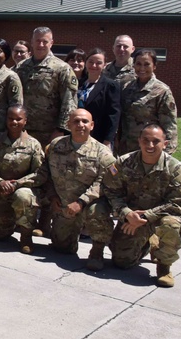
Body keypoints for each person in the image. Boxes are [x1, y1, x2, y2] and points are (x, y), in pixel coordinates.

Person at [24, 109, 116, 269]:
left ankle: (97, 251)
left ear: (92, 125)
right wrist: (52, 196)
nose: (80, 125)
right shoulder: (55, 146)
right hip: (64, 206)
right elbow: (47, 174)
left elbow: (105, 182)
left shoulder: (104, 153)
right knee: (62, 249)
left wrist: (81, 202)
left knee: (98, 211)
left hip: (89, 205)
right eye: (76, 121)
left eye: (85, 121)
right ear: (68, 125)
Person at [103, 124, 181, 287]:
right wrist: (127, 213)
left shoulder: (176, 170)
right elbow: (110, 190)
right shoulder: (124, 163)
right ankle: (149, 243)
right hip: (131, 218)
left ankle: (164, 266)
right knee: (122, 262)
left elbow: (176, 204)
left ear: (165, 143)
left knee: (172, 226)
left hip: (161, 218)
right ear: (139, 141)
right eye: (146, 140)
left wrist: (146, 216)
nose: (150, 145)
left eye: (155, 141)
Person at [0, 106, 43, 253]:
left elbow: (40, 173)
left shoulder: (33, 144)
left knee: (23, 196)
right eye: (11, 118)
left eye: (18, 119)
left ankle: (26, 236)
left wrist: (17, 184)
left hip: (21, 190)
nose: (14, 122)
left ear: (25, 121)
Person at [14, 27, 78, 147]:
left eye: (45, 41)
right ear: (32, 42)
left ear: (51, 43)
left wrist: (60, 130)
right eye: (37, 41)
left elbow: (69, 102)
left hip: (50, 133)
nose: (41, 44)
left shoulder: (62, 68)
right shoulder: (21, 67)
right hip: (23, 130)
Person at [118, 49, 177, 154]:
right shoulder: (127, 87)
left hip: (149, 149)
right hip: (126, 149)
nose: (142, 68)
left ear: (154, 66)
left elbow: (169, 125)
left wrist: (167, 152)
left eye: (147, 64)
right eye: (138, 64)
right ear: (133, 65)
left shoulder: (162, 91)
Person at [79, 47, 120, 149]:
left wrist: (108, 140)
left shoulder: (110, 86)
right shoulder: (78, 83)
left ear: (104, 65)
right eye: (91, 62)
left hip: (98, 138)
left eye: (98, 63)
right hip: (77, 134)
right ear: (85, 62)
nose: (94, 65)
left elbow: (113, 115)